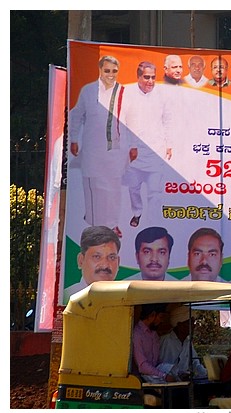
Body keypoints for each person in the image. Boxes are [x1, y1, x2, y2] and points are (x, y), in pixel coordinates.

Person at [69, 55, 127, 238]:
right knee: (93, 186)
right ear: (100, 70)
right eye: (107, 70)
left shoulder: (124, 93)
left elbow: (132, 121)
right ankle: (95, 224)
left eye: (114, 71)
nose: (111, 74)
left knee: (114, 187)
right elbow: (77, 115)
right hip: (93, 149)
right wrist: (74, 139)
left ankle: (113, 224)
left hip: (116, 150)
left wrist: (132, 146)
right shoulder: (89, 91)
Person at [121, 61, 173, 228]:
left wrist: (169, 144)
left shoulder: (162, 95)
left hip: (155, 151)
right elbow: (122, 120)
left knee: (155, 192)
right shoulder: (127, 93)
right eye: (146, 77)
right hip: (133, 152)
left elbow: (168, 120)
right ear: (138, 77)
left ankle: (153, 223)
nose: (150, 81)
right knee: (133, 189)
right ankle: (137, 213)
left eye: (153, 77)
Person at [63, 226, 121, 304]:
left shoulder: (125, 300)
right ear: (81, 261)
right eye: (97, 257)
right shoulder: (69, 297)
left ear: (118, 262)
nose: (105, 265)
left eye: (111, 257)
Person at [159, 305, 208, 380]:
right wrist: (178, 373)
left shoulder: (188, 342)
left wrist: (207, 373)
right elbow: (160, 366)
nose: (193, 326)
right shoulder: (165, 341)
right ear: (180, 325)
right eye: (190, 323)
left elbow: (195, 363)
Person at [133, 303, 176, 383]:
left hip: (155, 375)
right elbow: (142, 366)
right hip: (141, 380)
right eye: (160, 317)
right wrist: (164, 376)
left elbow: (157, 361)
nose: (161, 321)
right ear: (152, 315)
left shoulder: (154, 334)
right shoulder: (137, 334)